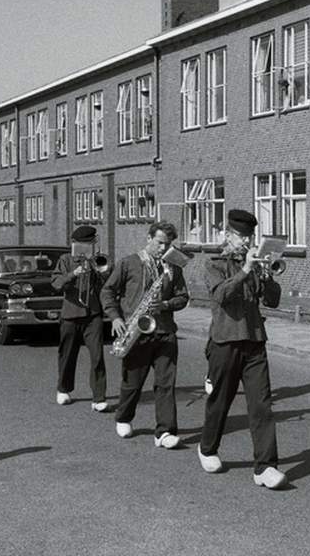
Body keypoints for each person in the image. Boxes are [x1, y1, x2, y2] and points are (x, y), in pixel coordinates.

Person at [200, 209, 286, 489]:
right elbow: (220, 296)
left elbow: (272, 302)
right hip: (225, 341)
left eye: (249, 236)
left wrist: (269, 274)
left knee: (262, 405)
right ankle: (208, 448)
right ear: (227, 235)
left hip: (255, 340)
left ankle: (265, 466)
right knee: (220, 402)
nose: (246, 241)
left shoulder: (255, 265)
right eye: (240, 236)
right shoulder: (214, 263)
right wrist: (246, 270)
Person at [101, 221, 189, 449]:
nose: (163, 248)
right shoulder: (129, 263)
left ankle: (165, 432)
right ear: (148, 238)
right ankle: (123, 416)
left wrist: (166, 303)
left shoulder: (173, 267)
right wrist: (116, 318)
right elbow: (107, 291)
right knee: (133, 383)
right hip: (136, 331)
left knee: (165, 384)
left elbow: (183, 297)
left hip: (165, 332)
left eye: (167, 244)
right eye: (160, 243)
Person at [51, 225, 110, 412]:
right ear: (77, 244)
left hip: (93, 314)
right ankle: (64, 389)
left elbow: (108, 284)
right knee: (67, 354)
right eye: (86, 243)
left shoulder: (98, 260)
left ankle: (99, 397)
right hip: (71, 314)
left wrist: (99, 271)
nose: (89, 246)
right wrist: (73, 274)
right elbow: (56, 284)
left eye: (92, 243)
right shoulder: (65, 260)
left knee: (97, 356)